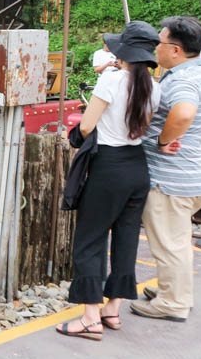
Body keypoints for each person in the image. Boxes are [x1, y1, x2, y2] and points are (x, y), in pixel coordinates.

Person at [56, 21, 161, 341]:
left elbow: (87, 127)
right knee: (127, 238)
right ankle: (112, 309)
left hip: (108, 167)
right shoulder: (156, 87)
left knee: (91, 239)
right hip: (137, 167)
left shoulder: (111, 80)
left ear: (124, 52)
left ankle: (90, 318)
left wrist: (71, 136)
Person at [131, 16, 201, 323]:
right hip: (190, 174)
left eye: (160, 42)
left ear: (176, 50)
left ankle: (172, 303)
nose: (156, 47)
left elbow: (183, 113)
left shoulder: (182, 80)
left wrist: (163, 140)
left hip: (170, 178)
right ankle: (175, 290)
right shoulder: (199, 71)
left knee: (169, 244)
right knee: (178, 241)